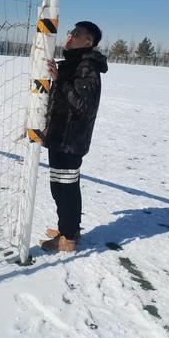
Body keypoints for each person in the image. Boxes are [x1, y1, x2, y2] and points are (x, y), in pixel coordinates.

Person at [40, 21, 108, 252]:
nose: (70, 37)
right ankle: (68, 228)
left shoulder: (86, 66)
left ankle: (68, 238)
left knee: (66, 187)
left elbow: (82, 106)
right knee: (59, 186)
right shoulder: (73, 63)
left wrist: (59, 79)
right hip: (59, 137)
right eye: (71, 32)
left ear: (88, 42)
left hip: (71, 140)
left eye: (77, 34)